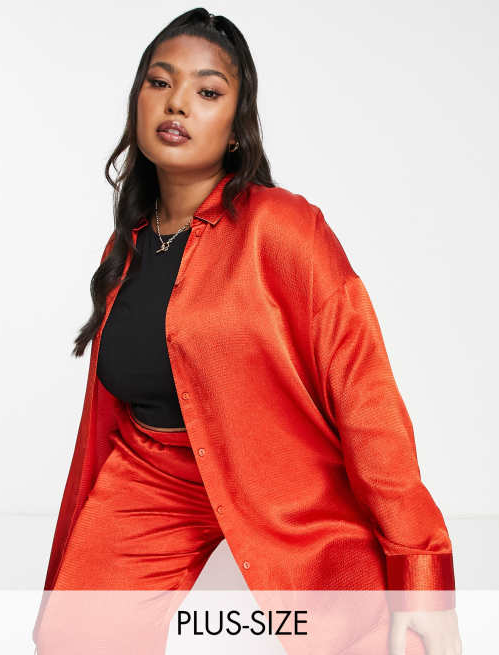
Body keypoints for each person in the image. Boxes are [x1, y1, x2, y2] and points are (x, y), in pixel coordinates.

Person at [32, 8, 462, 655]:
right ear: (136, 102)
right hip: (150, 482)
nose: (177, 102)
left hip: (289, 491)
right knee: (72, 640)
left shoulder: (284, 228)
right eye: (159, 82)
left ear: (236, 130)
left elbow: (366, 399)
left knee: (384, 643)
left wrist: (421, 573)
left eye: (207, 92)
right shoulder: (124, 249)